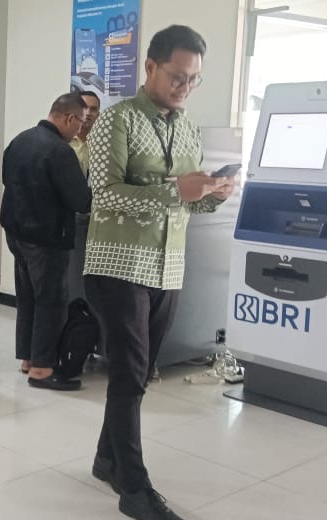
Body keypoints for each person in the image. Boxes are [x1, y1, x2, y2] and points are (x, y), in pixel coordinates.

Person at [83, 26, 235, 520]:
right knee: (129, 374)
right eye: (177, 76)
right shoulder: (117, 119)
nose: (185, 87)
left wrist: (213, 195)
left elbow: (189, 206)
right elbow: (104, 194)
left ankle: (106, 459)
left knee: (140, 373)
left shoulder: (189, 129)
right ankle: (134, 488)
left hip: (168, 267)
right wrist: (175, 191)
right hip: (118, 263)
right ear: (150, 67)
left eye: (193, 79)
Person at [0, 93, 93, 391]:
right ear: (68, 118)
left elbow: (7, 180)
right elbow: (80, 199)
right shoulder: (60, 151)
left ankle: (28, 358)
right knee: (51, 301)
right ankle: (42, 369)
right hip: (46, 238)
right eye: (80, 123)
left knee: (28, 296)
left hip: (16, 234)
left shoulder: (20, 140)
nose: (79, 130)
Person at [66, 90, 102, 303]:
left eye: (93, 109)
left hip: (96, 217)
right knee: (71, 270)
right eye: (84, 108)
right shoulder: (63, 141)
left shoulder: (103, 143)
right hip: (68, 215)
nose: (88, 113)